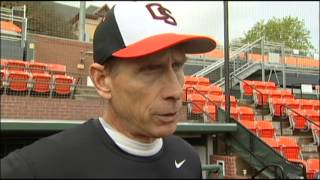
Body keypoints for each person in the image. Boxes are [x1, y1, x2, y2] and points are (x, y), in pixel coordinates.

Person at [1, 2, 216, 178]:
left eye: (177, 66)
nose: (175, 91)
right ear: (103, 81)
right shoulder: (34, 168)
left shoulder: (188, 158)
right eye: (151, 70)